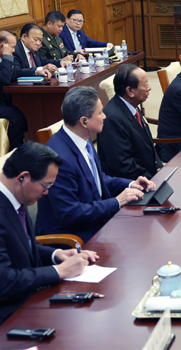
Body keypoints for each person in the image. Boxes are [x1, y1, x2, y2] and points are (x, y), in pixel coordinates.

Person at [35, 87, 156, 243]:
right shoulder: (59, 159)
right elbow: (69, 213)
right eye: (100, 113)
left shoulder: (83, 140)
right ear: (84, 121)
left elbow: (96, 179)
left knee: (145, 227)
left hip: (93, 221)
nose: (105, 116)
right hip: (71, 236)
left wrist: (131, 184)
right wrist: (117, 201)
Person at [0, 142, 99, 324]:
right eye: (46, 185)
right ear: (23, 177)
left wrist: (56, 254)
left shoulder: (16, 197)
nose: (46, 192)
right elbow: (3, 281)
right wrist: (59, 271)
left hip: (30, 298)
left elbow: (23, 244)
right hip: (9, 315)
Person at [97, 65, 163, 180]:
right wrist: (153, 179)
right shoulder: (112, 119)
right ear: (130, 91)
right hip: (131, 184)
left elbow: (148, 144)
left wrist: (158, 166)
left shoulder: (132, 105)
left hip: (148, 175)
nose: (149, 88)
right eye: (145, 85)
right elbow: (123, 165)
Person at [0, 32, 28, 148]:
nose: (13, 51)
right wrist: (6, 56)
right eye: (12, 47)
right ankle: (13, 151)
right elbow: (5, 79)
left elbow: (14, 73)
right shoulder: (5, 58)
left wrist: (36, 71)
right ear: (2, 46)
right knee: (17, 117)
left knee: (26, 108)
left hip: (4, 99)